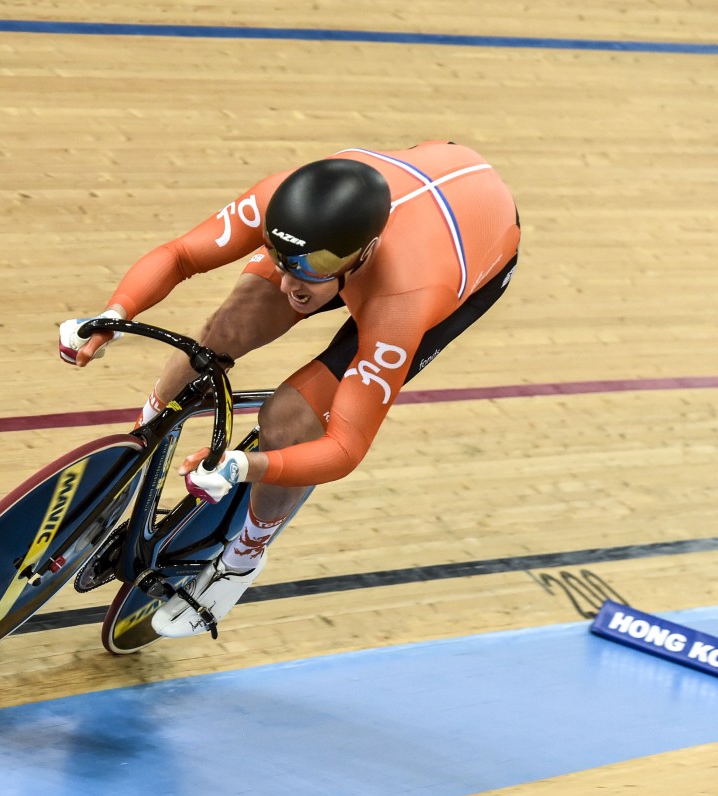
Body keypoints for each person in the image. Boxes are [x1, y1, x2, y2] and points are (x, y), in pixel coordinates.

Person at [59, 141, 521, 638]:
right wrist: (114, 314)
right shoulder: (279, 201)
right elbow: (180, 255)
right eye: (278, 259)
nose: (285, 282)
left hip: (465, 255)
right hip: (417, 190)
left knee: (290, 419)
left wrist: (245, 466)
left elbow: (345, 447)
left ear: (358, 254)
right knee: (223, 331)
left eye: (303, 271)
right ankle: (132, 460)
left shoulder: (404, 299)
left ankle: (241, 558)